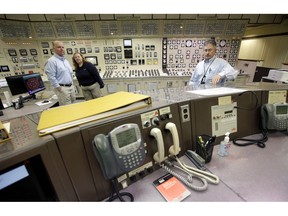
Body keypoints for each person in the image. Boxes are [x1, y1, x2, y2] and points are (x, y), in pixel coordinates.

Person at [45, 40, 76, 106]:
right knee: (66, 108)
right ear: (53, 49)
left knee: (73, 105)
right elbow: (51, 77)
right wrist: (59, 88)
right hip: (62, 88)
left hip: (71, 87)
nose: (61, 49)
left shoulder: (65, 61)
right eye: (59, 47)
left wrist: (72, 84)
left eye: (62, 47)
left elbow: (69, 74)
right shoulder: (51, 61)